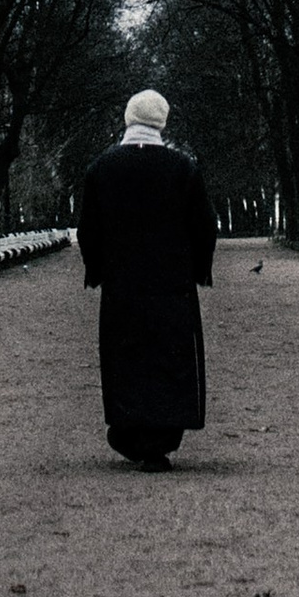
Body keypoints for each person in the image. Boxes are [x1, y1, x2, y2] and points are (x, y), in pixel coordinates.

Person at [74, 87, 217, 467]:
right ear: (161, 122)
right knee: (170, 357)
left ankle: (129, 428)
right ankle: (162, 436)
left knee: (126, 355)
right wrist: (200, 269)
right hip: (171, 283)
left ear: (128, 119)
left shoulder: (102, 168)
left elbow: (89, 228)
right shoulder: (183, 168)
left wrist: (96, 268)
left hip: (123, 283)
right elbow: (205, 225)